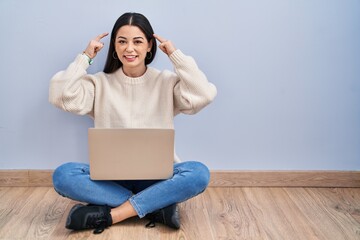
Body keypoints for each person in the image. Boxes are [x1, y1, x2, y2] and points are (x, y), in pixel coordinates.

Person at [49, 12, 217, 234]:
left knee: (199, 173)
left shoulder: (165, 82)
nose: (129, 49)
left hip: (157, 179)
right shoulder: (99, 83)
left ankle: (113, 214)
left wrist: (175, 56)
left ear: (149, 46)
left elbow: (203, 94)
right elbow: (60, 96)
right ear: (114, 48)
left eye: (137, 41)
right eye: (122, 41)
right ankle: (155, 207)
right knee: (63, 175)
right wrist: (84, 58)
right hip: (110, 180)